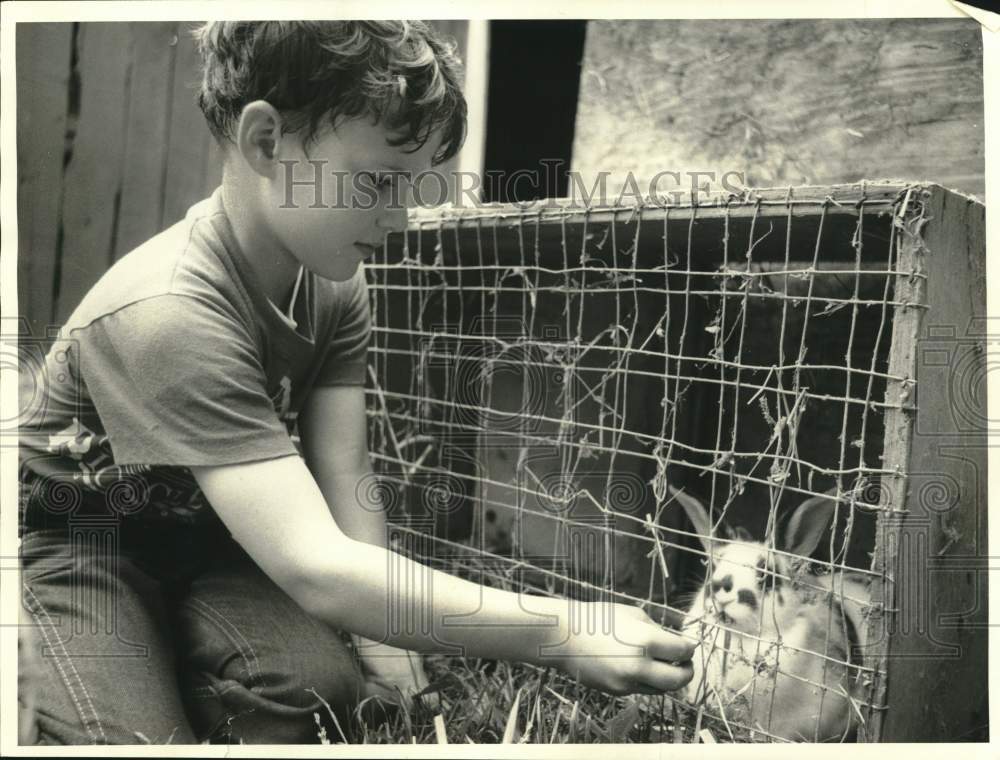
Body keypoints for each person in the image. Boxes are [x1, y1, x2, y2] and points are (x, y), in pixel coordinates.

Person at [17, 20, 695, 745]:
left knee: (319, 691)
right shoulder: (167, 313)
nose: (399, 217)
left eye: (411, 186)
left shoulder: (334, 281)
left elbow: (345, 472)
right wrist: (561, 630)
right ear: (267, 142)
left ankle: (168, 663)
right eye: (377, 182)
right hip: (83, 542)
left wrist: (386, 648)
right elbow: (316, 568)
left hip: (209, 538)